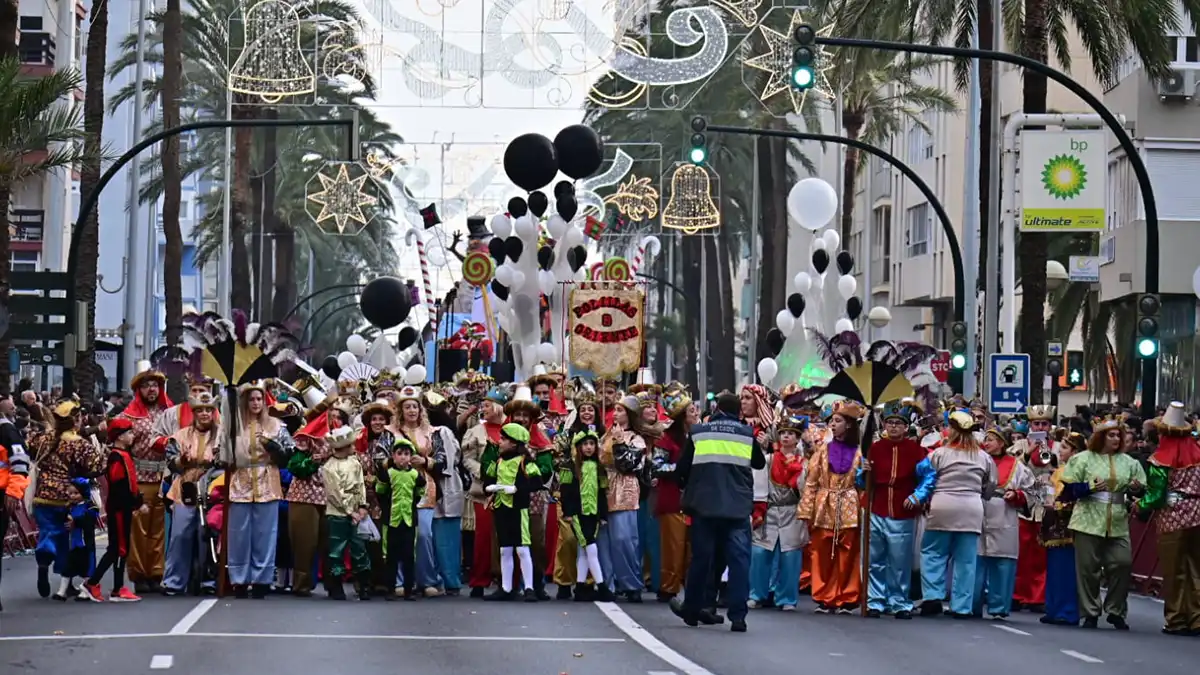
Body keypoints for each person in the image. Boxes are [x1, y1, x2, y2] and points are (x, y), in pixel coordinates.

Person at [673, 391, 765, 633]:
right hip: (737, 509)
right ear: (739, 412)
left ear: (716, 409)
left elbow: (681, 469)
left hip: (704, 507)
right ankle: (738, 617)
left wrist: (688, 486)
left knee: (701, 560)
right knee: (739, 561)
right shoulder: (746, 435)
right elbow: (759, 463)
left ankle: (692, 609)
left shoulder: (699, 433)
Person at [1060, 416, 1146, 630]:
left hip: (1117, 520)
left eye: (1119, 435)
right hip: (1088, 518)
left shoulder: (1130, 462)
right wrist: (1088, 486)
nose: (1117, 439)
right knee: (1088, 569)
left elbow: (1142, 488)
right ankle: (1090, 612)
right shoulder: (1082, 459)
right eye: (1112, 435)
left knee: (1122, 563)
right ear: (1101, 437)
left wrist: (1136, 488)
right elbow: (1068, 491)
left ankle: (1115, 610)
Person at [858, 401, 934, 619]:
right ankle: (875, 601)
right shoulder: (875, 448)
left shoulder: (915, 450)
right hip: (876, 508)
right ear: (884, 425)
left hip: (902, 510)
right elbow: (862, 482)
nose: (893, 427)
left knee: (900, 561)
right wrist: (863, 472)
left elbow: (929, 476)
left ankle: (899, 601)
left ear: (905, 426)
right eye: (890, 423)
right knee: (874, 559)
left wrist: (917, 496)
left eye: (898, 423)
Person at [919, 411, 997, 618]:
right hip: (971, 508)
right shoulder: (984, 457)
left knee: (933, 553)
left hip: (942, 505)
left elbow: (923, 477)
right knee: (966, 559)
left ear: (951, 429)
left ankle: (932, 597)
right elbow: (991, 485)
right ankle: (962, 606)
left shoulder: (938, 454)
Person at [224, 380, 295, 599]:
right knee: (239, 534)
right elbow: (221, 453)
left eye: (259, 399)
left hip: (267, 480)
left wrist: (272, 446)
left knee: (266, 533)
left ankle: (262, 579)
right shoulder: (234, 425)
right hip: (240, 481)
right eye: (251, 399)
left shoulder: (276, 425)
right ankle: (239, 579)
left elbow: (289, 453)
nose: (255, 403)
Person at [1135, 402, 1200, 636]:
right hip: (1198, 513)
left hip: (1173, 518)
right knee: (1196, 569)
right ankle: (1197, 618)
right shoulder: (1199, 455)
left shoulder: (1160, 461)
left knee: (1174, 571)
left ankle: (1176, 619)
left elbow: (1155, 495)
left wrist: (1139, 505)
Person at [29, 399, 105, 599]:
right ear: (75, 420)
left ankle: (46, 561)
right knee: (65, 539)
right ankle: (60, 570)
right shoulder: (78, 443)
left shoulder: (43, 438)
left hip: (42, 495)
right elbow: (97, 466)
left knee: (49, 531)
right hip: (69, 497)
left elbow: (29, 447)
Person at [798, 400, 865, 615]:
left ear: (849, 425)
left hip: (849, 504)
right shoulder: (822, 452)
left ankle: (847, 595)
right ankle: (825, 595)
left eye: (838, 421)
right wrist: (806, 509)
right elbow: (811, 482)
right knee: (822, 551)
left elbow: (863, 485)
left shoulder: (860, 453)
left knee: (848, 552)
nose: (833, 425)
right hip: (824, 504)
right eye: (832, 422)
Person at [117, 365, 174, 594]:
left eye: (155, 385)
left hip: (164, 478)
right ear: (138, 389)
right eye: (146, 385)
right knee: (138, 529)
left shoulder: (170, 412)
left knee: (160, 528)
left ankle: (157, 573)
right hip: (139, 479)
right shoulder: (127, 416)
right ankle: (139, 574)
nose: (151, 389)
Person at [160, 391, 221, 596]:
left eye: (208, 410)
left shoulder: (223, 435)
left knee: (208, 535)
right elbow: (170, 462)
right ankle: (173, 581)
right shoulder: (179, 436)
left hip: (213, 488)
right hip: (185, 488)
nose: (204, 414)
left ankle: (209, 580)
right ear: (193, 413)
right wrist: (182, 461)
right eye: (200, 410)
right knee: (180, 535)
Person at [82, 417, 147, 603]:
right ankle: (105, 585)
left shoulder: (122, 455)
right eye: (129, 433)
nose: (132, 436)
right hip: (119, 508)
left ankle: (112, 586)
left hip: (122, 507)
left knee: (119, 549)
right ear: (119, 437)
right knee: (119, 549)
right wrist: (135, 504)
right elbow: (120, 487)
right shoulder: (117, 457)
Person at [749, 414, 808, 612]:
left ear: (797, 439)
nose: (786, 437)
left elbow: (805, 489)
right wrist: (758, 510)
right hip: (770, 510)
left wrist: (796, 472)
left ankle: (787, 598)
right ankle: (757, 594)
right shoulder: (768, 459)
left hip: (792, 511)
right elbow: (758, 485)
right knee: (760, 553)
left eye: (791, 434)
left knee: (791, 556)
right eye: (783, 433)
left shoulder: (803, 463)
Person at [974, 426, 1034, 619]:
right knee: (975, 560)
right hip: (978, 511)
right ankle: (970, 604)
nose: (987, 443)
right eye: (986, 439)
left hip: (1004, 514)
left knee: (1003, 561)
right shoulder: (976, 460)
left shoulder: (1017, 466)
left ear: (1001, 443)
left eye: (991, 439)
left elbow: (1032, 491)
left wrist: (1017, 495)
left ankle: (999, 607)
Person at [483, 422, 543, 602]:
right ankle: (506, 587)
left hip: (519, 509)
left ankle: (530, 588)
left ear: (514, 443)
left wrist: (516, 488)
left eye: (503, 439)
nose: (500, 442)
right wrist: (491, 487)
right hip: (501, 508)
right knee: (505, 550)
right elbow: (487, 479)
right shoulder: (499, 461)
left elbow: (537, 482)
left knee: (522, 549)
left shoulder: (525, 461)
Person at [460, 386, 508, 597]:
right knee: (483, 538)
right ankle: (479, 580)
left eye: (487, 405)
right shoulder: (476, 431)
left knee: (506, 537)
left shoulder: (512, 428)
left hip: (508, 492)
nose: (483, 409)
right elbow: (467, 457)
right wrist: (482, 472)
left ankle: (505, 579)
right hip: (484, 492)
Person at [560, 429, 613, 602]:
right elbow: (565, 492)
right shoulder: (570, 467)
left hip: (594, 514)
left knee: (584, 552)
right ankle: (602, 586)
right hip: (578, 514)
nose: (589, 447)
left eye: (591, 444)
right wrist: (568, 512)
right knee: (591, 549)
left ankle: (580, 586)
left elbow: (602, 493)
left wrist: (603, 515)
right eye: (585, 444)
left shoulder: (599, 468)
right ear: (578, 447)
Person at [652, 387, 695, 603]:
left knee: (690, 547)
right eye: (691, 411)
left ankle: (689, 584)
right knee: (673, 546)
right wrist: (680, 469)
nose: (696, 414)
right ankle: (668, 586)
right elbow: (656, 466)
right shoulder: (667, 439)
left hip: (695, 501)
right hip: (672, 500)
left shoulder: (699, 437)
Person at [1040, 431, 1086, 626]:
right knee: (1054, 567)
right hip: (1054, 524)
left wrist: (1059, 505)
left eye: (1065, 448)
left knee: (1068, 569)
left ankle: (1068, 611)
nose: (1060, 451)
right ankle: (1053, 608)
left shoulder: (1081, 471)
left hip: (1071, 525)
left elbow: (1078, 497)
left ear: (1076, 451)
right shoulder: (1058, 471)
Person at [321, 426, 371, 601]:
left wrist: (363, 505)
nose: (354, 447)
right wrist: (351, 512)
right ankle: (335, 586)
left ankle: (364, 585)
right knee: (337, 550)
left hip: (356, 512)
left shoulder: (354, 462)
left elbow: (360, 485)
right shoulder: (329, 467)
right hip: (338, 514)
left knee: (359, 548)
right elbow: (335, 494)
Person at [376, 438, 426, 602]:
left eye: (406, 454)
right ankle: (390, 588)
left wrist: (412, 506)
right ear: (393, 456)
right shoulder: (388, 474)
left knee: (409, 556)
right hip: (391, 520)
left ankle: (408, 589)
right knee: (390, 556)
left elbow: (419, 492)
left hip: (409, 520)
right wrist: (386, 508)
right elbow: (380, 492)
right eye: (399, 454)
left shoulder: (415, 475)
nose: (403, 457)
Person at [55, 477, 99, 601]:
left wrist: (76, 522)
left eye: (76, 493)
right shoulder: (70, 507)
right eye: (71, 493)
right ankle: (62, 591)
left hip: (85, 544)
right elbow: (63, 517)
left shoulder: (90, 507)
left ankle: (85, 591)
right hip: (73, 543)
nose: (73, 496)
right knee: (67, 568)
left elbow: (89, 521)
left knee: (86, 569)